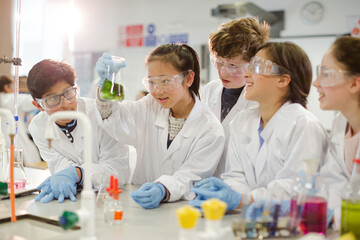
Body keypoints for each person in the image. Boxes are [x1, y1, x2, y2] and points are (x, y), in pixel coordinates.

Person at [190, 42, 329, 211]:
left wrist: (244, 200)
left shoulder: (303, 125)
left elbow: (296, 187)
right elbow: (235, 175)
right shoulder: (243, 121)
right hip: (251, 219)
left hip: (291, 225)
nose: (247, 74)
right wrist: (228, 195)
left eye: (256, 67)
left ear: (283, 80)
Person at [95, 43, 225, 209]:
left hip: (179, 212)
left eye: (165, 81)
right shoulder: (149, 106)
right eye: (151, 82)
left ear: (188, 79)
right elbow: (116, 121)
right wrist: (107, 89)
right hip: (138, 207)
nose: (157, 91)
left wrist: (162, 189)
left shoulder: (210, 129)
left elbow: (191, 176)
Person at [27, 59, 130, 203]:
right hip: (78, 199)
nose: (65, 104)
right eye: (52, 99)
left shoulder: (101, 113)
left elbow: (118, 170)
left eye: (68, 93)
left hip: (116, 198)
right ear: (38, 105)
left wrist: (79, 173)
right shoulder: (38, 127)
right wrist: (74, 175)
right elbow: (60, 168)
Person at [202, 17, 270, 177]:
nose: (223, 71)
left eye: (233, 65)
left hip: (243, 185)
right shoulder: (210, 90)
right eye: (218, 61)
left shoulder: (260, 101)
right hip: (206, 179)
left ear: (253, 64)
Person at [314, 36, 360, 230]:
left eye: (326, 74)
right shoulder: (340, 123)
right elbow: (334, 182)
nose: (316, 83)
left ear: (354, 84)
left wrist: (335, 216)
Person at [0, 75, 41, 165]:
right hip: (15, 144)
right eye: (14, 85)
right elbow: (35, 101)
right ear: (7, 87)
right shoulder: (10, 98)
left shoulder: (4, 98)